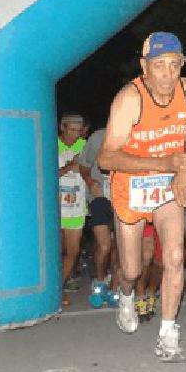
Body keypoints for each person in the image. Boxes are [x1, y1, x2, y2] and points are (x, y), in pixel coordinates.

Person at [97, 32, 186, 362]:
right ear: (144, 67)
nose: (167, 74)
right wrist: (164, 163)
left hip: (169, 187)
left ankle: (168, 333)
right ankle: (124, 294)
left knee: (175, 258)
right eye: (159, 65)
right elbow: (106, 158)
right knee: (134, 269)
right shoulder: (130, 98)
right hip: (131, 186)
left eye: (174, 65)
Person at [80, 126, 120, 309]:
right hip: (100, 198)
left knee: (121, 248)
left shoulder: (137, 135)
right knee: (104, 246)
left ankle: (114, 288)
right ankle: (99, 282)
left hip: (124, 198)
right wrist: (90, 183)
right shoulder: (97, 137)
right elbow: (84, 167)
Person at [58, 113, 91, 307]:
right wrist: (71, 165)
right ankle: (55, 290)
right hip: (56, 208)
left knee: (73, 251)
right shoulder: (51, 144)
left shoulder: (84, 146)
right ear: (63, 128)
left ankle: (60, 287)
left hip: (76, 207)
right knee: (57, 251)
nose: (75, 135)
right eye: (72, 130)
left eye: (79, 131)